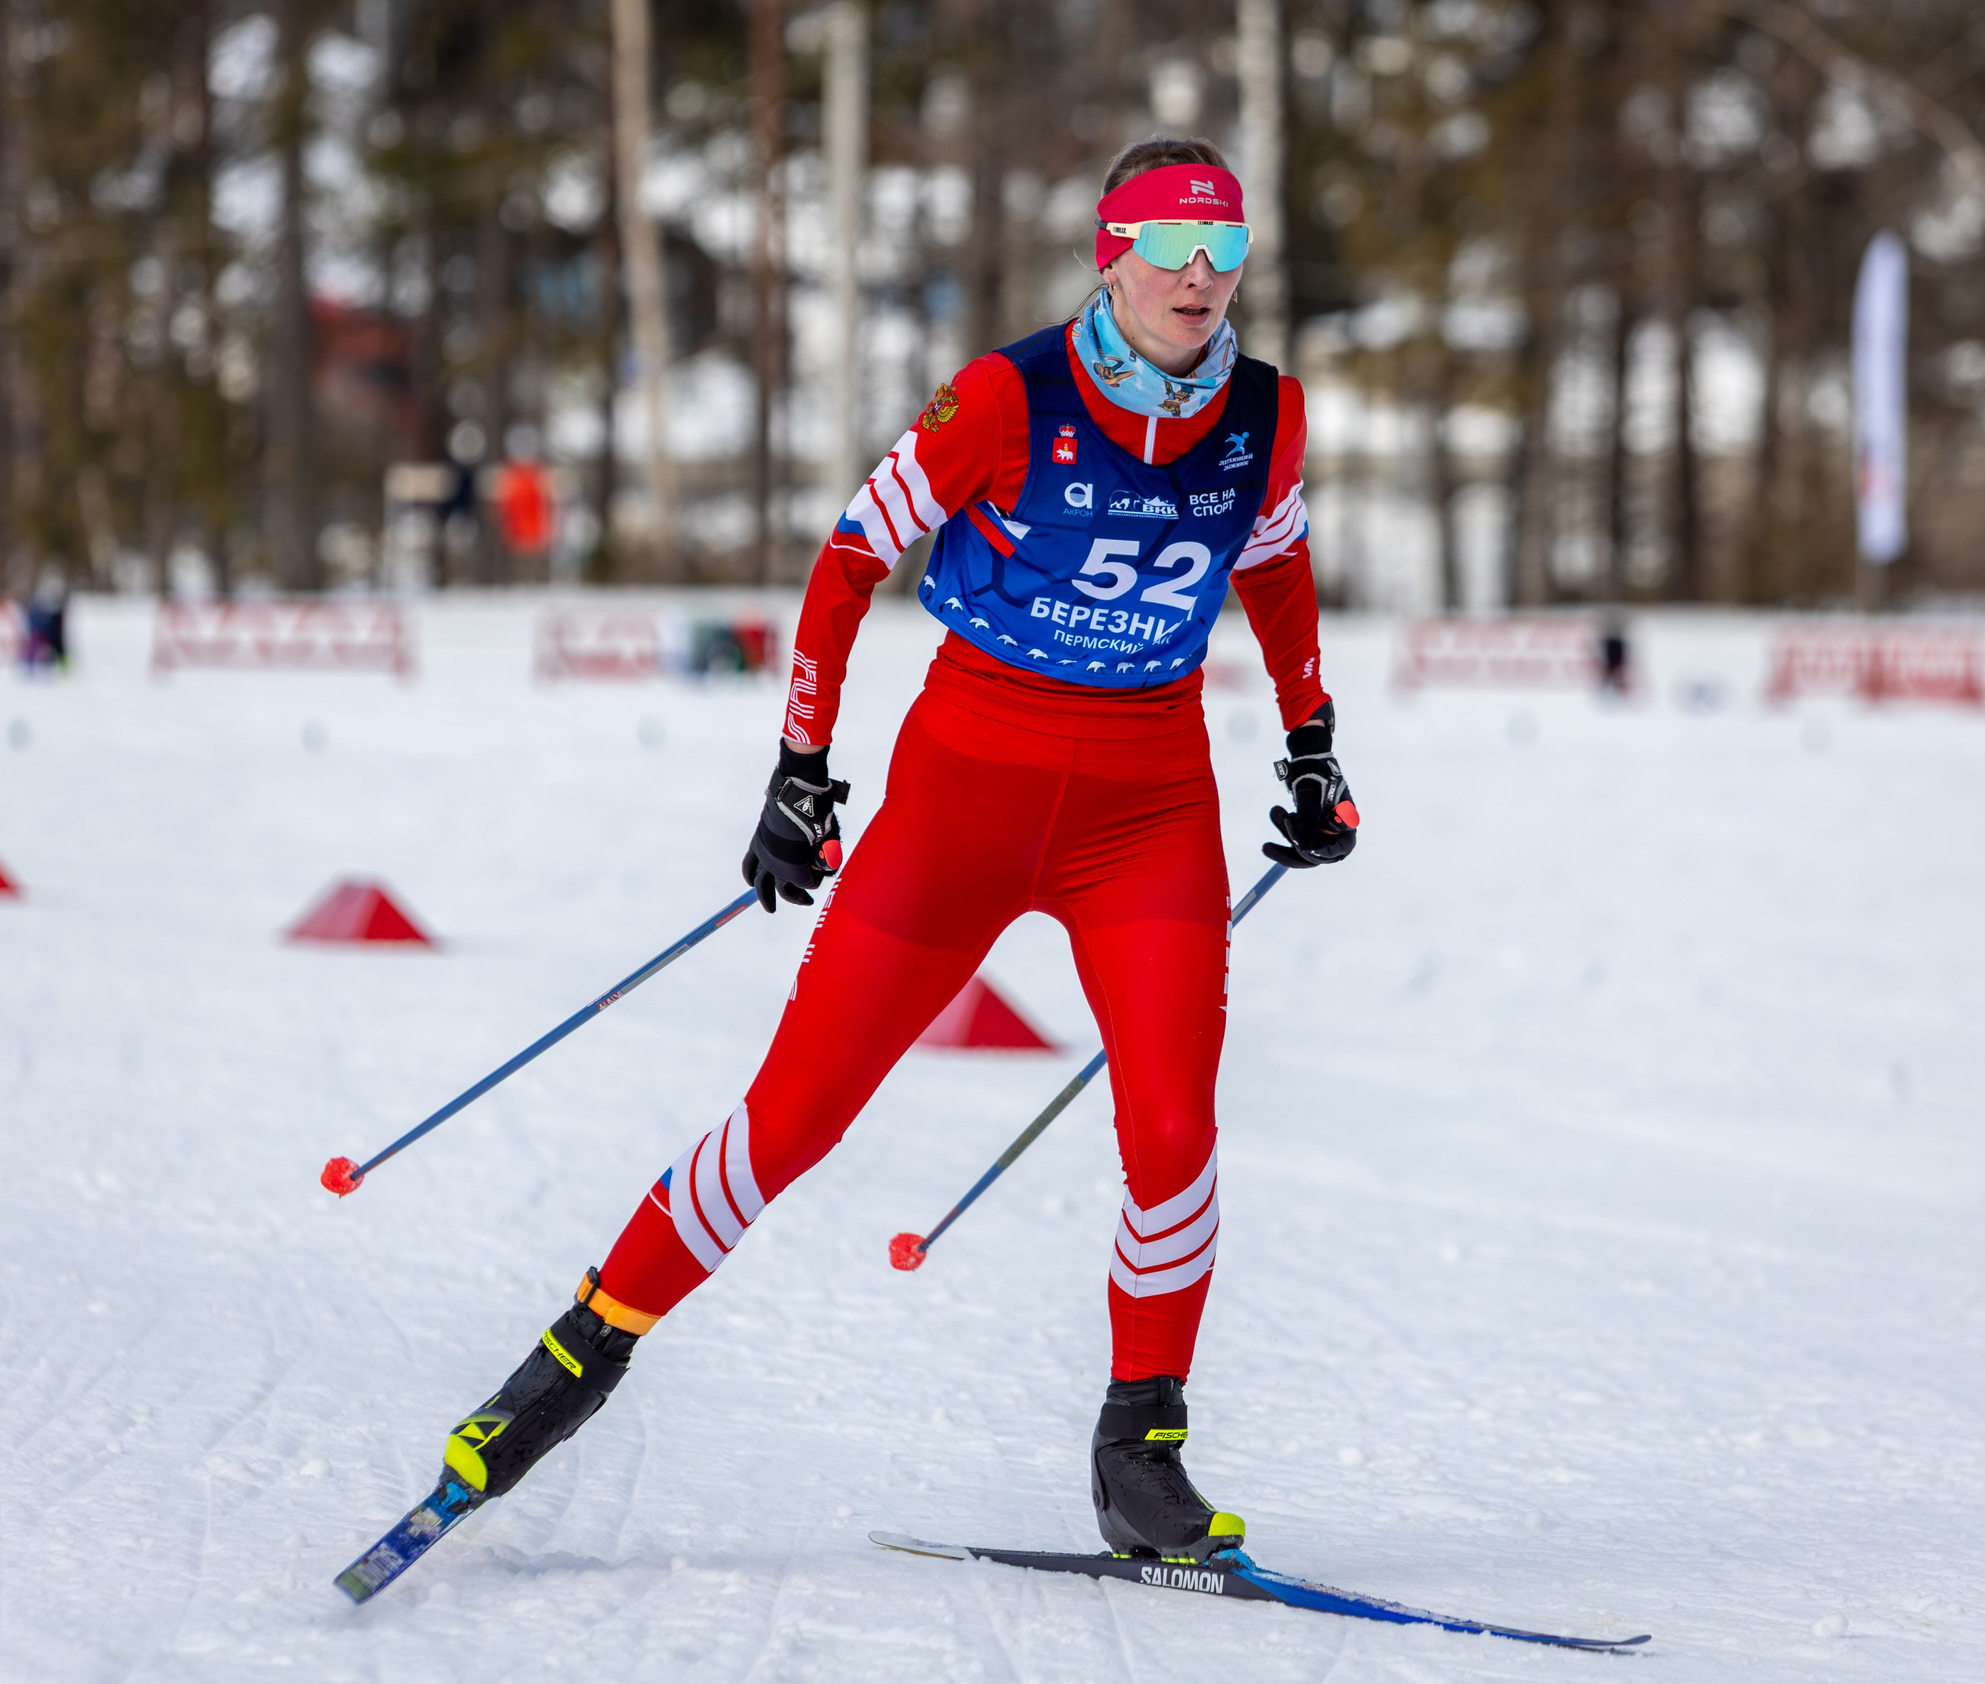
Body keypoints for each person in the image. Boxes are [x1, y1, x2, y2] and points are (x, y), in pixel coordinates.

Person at [421, 137, 1358, 1567]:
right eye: (1170, 244)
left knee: (1174, 1133)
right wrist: (801, 765)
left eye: (1223, 251)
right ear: (1111, 249)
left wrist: (1311, 741)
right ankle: (571, 1360)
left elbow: (1276, 566)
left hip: (1148, 810)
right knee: (796, 1117)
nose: (1196, 276)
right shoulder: (1008, 395)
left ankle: (1141, 1451)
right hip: (964, 792)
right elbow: (853, 558)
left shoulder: (1267, 417)